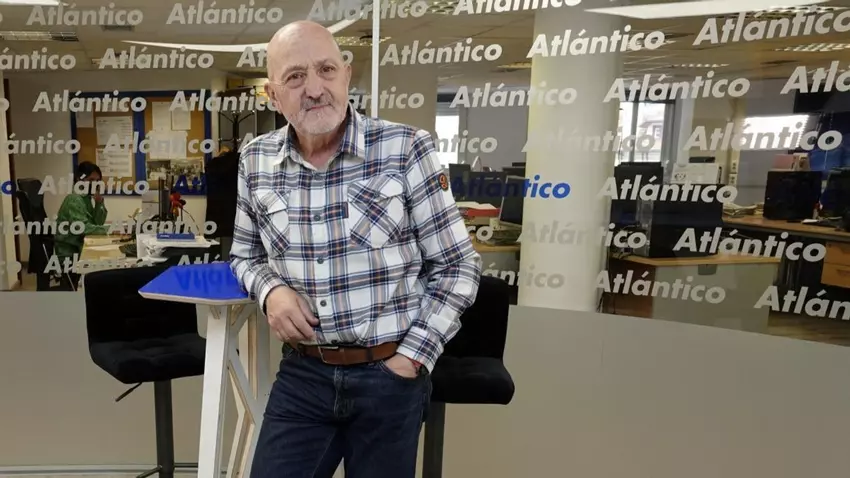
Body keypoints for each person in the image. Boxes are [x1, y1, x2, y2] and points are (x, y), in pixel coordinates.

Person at [230, 20, 482, 478]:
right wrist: (271, 291)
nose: (314, 89)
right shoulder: (256, 160)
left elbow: (458, 266)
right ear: (273, 95)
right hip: (304, 375)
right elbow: (245, 257)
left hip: (389, 374)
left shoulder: (406, 149)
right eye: (295, 77)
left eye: (326, 70)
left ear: (346, 75)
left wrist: (411, 358)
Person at [53, 161, 117, 288]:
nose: (95, 184)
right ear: (79, 179)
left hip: (81, 247)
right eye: (91, 180)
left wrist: (99, 202)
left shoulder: (85, 198)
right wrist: (111, 229)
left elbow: (97, 223)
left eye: (97, 180)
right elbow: (85, 228)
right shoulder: (74, 199)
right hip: (70, 253)